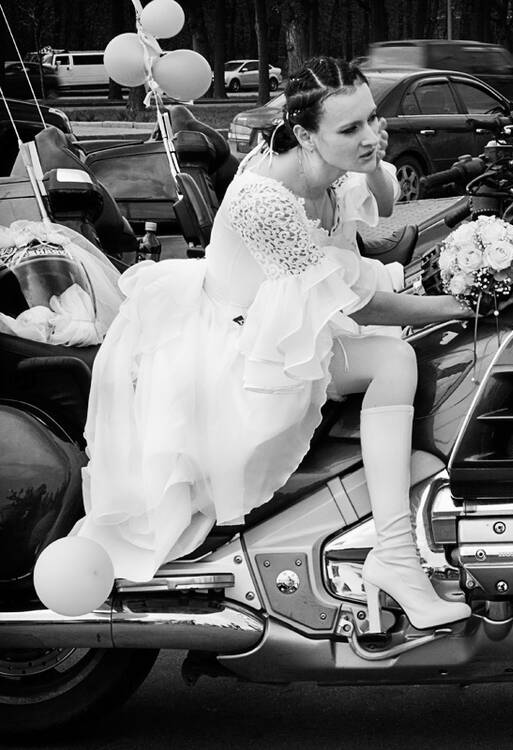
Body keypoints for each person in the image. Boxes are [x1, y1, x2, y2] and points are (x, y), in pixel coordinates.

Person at [73, 56, 472, 631]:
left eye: (371, 120)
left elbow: (383, 205)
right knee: (394, 358)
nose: (367, 135)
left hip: (295, 316)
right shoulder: (265, 202)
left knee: (415, 342)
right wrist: (456, 303)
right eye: (351, 128)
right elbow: (351, 302)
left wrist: (374, 162)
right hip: (246, 345)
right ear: (305, 136)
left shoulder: (331, 160)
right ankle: (394, 555)